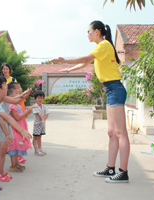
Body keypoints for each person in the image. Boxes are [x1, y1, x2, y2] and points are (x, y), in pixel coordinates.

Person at [50, 20, 130, 183]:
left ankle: (123, 172)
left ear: (97, 32)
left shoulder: (104, 45)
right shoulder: (102, 48)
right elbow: (86, 62)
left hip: (115, 88)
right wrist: (68, 69)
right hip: (110, 89)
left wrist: (65, 60)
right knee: (111, 133)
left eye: (89, 31)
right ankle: (110, 168)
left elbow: (86, 58)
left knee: (121, 133)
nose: (87, 34)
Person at [8, 82, 35, 172]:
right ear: (11, 97)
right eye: (16, 94)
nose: (18, 95)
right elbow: (17, 117)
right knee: (13, 148)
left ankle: (16, 164)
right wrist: (26, 113)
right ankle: (13, 165)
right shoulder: (11, 106)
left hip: (19, 129)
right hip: (14, 131)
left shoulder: (18, 105)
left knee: (16, 148)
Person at [32, 91, 50, 156]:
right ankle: (36, 150)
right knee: (35, 137)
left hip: (42, 124)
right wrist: (42, 120)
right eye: (38, 98)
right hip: (37, 124)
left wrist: (43, 120)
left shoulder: (44, 106)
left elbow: (47, 113)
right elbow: (39, 114)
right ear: (35, 98)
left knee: (40, 136)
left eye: (41, 98)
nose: (40, 99)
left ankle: (40, 148)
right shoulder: (35, 106)